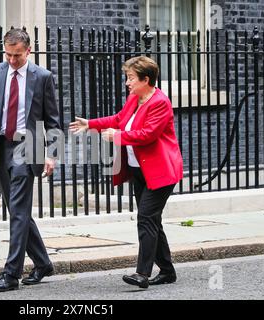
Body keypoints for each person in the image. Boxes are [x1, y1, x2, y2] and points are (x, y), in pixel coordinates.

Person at [69, 56, 183, 289]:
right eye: (127, 78)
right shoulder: (135, 98)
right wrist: (90, 124)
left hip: (160, 172)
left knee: (146, 218)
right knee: (152, 220)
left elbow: (148, 134)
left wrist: (117, 137)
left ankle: (142, 274)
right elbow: (120, 120)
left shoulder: (160, 102)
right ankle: (168, 271)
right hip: (139, 170)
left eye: (131, 78)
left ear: (146, 79)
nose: (127, 83)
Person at [0, 28, 60, 292]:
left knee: (18, 211)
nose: (11, 60)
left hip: (27, 146)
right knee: (17, 211)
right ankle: (42, 263)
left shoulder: (42, 77)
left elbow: (53, 120)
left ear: (28, 51)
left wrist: (52, 154)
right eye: (8, 54)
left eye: (17, 55)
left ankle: (11, 274)